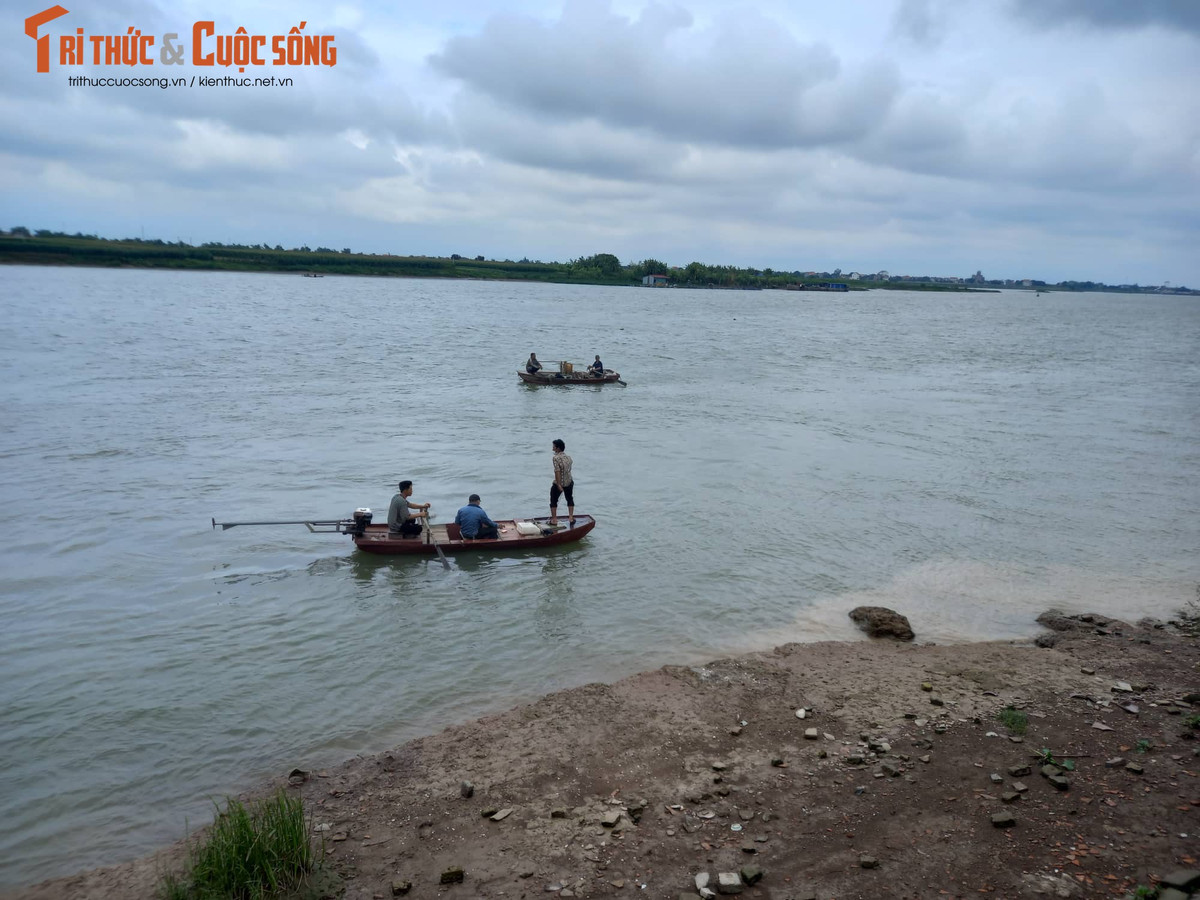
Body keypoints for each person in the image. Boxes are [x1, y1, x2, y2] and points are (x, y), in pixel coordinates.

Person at [549, 438, 575, 526]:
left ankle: (554, 519)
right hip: (569, 482)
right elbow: (569, 470)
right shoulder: (569, 458)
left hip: (560, 482)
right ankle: (571, 517)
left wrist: (559, 485)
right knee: (569, 498)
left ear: (558, 448)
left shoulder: (556, 458)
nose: (552, 448)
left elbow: (557, 471)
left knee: (553, 500)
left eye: (554, 447)